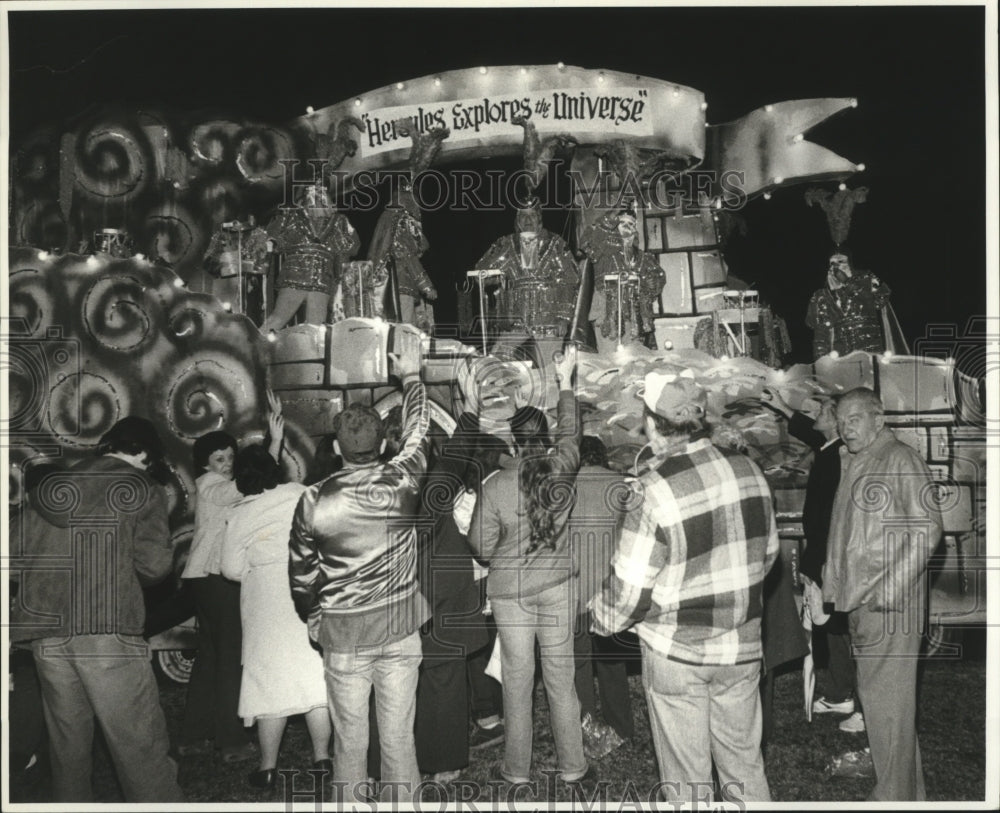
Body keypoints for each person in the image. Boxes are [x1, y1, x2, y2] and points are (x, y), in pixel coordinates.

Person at [590, 371, 777, 804]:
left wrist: (596, 619)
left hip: (677, 652)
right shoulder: (749, 470)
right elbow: (767, 557)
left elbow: (629, 594)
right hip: (742, 647)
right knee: (745, 765)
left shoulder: (651, 491)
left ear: (653, 425)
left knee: (687, 782)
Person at [9, 417, 184, 802]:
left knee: (68, 751)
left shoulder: (50, 488)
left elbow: (14, 556)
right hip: (106, 629)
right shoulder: (141, 486)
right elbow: (155, 567)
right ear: (142, 452)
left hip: (48, 635)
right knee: (139, 744)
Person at [288, 327, 430, 804]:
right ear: (383, 445)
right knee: (399, 738)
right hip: (400, 627)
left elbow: (302, 574)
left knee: (351, 741)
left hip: (344, 635)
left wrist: (313, 614)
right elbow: (419, 432)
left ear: (335, 448)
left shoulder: (312, 499)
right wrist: (411, 378)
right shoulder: (402, 480)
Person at [468, 345, 593, 788]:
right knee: (561, 680)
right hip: (558, 586)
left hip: (508, 593)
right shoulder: (562, 468)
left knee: (517, 685)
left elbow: (480, 547)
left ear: (513, 440)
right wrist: (566, 383)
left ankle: (517, 771)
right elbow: (572, 433)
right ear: (547, 437)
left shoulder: (497, 483)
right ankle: (573, 766)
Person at [823, 387, 941, 800]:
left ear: (879, 417)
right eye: (839, 421)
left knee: (886, 704)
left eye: (853, 419)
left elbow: (928, 530)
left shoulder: (899, 459)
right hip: (865, 599)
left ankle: (893, 798)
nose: (844, 428)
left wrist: (891, 590)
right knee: (885, 706)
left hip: (888, 603)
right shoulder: (858, 460)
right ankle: (906, 792)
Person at [178, 394, 284, 762]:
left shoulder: (216, 486)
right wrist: (274, 445)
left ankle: (193, 736)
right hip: (214, 579)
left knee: (210, 658)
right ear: (205, 465)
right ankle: (232, 742)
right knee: (229, 658)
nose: (226, 465)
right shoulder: (209, 484)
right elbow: (244, 487)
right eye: (219, 459)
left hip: (205, 580)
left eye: (230, 458)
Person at [220, 445, 331, 790]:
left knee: (268, 682)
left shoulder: (239, 512)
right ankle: (323, 759)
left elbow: (230, 568)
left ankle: (268, 768)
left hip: (264, 598)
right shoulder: (301, 494)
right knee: (314, 678)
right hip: (305, 588)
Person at [763, 388, 861, 732]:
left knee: (846, 630)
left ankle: (859, 702)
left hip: (829, 557)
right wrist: (781, 406)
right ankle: (840, 693)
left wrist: (819, 563)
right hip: (825, 556)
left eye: (823, 411)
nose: (816, 414)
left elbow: (829, 520)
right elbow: (811, 432)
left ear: (835, 422)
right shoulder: (830, 450)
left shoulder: (838, 457)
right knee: (833, 629)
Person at [413, 430, 505, 784]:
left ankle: (484, 717)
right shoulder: (453, 491)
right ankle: (479, 723)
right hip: (461, 588)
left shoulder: (433, 493)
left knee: (442, 670)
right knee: (459, 666)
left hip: (442, 591)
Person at [568, 436, 635, 756]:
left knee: (578, 664)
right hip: (611, 589)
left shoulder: (562, 486)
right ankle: (622, 726)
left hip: (573, 589)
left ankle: (588, 729)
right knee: (612, 662)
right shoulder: (621, 485)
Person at [263, 182, 360, 330]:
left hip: (321, 279)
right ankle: (255, 348)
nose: (317, 196)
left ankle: (310, 352)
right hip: (295, 276)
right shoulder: (291, 216)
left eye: (321, 192)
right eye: (313, 192)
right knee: (278, 319)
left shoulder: (339, 221)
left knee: (315, 328)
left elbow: (351, 246)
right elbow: (271, 237)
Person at [580, 203, 664, 352]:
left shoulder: (643, 257)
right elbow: (587, 241)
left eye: (631, 223)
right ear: (614, 226)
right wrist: (611, 216)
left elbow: (658, 276)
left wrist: (651, 284)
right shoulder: (602, 252)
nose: (627, 226)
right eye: (622, 222)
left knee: (633, 360)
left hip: (634, 315)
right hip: (607, 314)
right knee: (610, 359)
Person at [805, 249, 892, 360]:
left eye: (841, 261)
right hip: (842, 354)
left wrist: (848, 283)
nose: (836, 266)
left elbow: (881, 298)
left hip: (871, 349)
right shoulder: (823, 295)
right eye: (832, 263)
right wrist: (822, 362)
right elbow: (821, 334)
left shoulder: (866, 279)